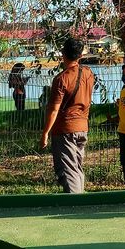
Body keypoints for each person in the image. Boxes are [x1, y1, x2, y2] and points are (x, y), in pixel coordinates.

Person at [40, 38, 95, 193]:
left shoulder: (61, 79)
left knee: (67, 171)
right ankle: (81, 200)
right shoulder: (88, 73)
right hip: (82, 127)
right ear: (80, 56)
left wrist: (45, 133)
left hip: (65, 129)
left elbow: (54, 110)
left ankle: (75, 205)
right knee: (76, 168)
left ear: (63, 54)